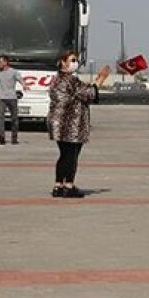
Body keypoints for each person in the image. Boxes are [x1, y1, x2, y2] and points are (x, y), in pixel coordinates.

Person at [47, 50, 111, 197]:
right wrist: (100, 79)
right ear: (63, 62)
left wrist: (94, 83)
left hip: (58, 121)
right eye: (72, 60)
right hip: (71, 123)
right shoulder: (71, 80)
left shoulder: (57, 79)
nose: (75, 63)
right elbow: (88, 93)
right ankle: (68, 186)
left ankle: (58, 185)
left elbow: (83, 90)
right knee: (72, 155)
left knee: (64, 154)